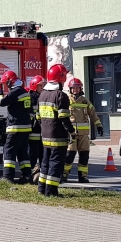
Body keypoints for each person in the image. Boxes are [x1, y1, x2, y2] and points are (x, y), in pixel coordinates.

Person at [38, 64, 75, 197]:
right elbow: (64, 118)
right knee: (56, 164)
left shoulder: (42, 95)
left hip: (45, 136)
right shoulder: (61, 96)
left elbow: (38, 116)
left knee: (45, 163)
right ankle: (51, 192)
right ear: (61, 77)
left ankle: (42, 189)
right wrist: (72, 132)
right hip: (58, 137)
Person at [62, 78, 103, 184]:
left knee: (84, 156)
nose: (75, 89)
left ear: (81, 88)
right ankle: (64, 174)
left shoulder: (85, 101)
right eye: (73, 88)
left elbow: (93, 114)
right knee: (69, 156)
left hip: (84, 135)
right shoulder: (66, 100)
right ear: (70, 89)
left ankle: (83, 176)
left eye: (77, 87)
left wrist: (99, 125)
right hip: (72, 134)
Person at [0, 70, 33, 183]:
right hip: (26, 127)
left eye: (5, 84)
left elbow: (1, 102)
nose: (5, 86)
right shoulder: (23, 91)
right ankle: (27, 176)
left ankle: (7, 177)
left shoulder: (16, 92)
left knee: (9, 151)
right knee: (22, 153)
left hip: (15, 127)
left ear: (9, 82)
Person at [27, 75, 45, 184]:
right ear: (34, 86)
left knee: (43, 157)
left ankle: (42, 178)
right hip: (33, 133)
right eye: (40, 86)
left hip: (43, 133)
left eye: (43, 85)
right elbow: (29, 115)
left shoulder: (44, 97)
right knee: (32, 157)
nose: (42, 88)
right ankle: (30, 177)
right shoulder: (30, 98)